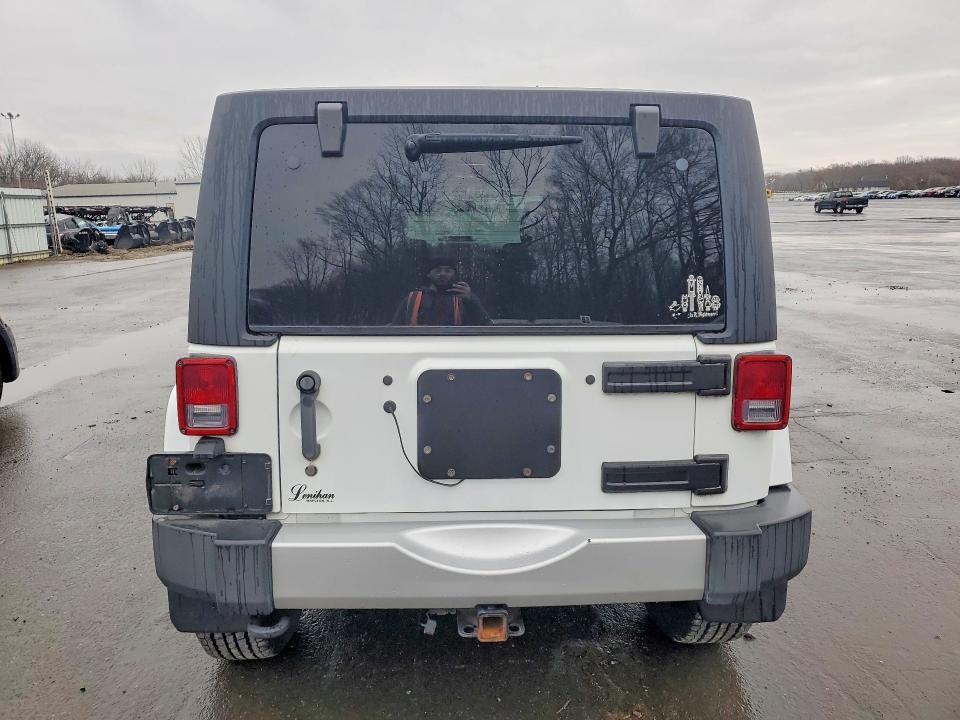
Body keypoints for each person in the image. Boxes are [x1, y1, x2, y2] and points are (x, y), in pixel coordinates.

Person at [391, 256, 492, 326]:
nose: (443, 274)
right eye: (437, 270)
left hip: (454, 352)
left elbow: (485, 326)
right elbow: (395, 329)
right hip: (417, 350)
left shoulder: (464, 298)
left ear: (454, 274)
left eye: (448, 270)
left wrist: (470, 301)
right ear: (429, 274)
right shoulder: (412, 299)